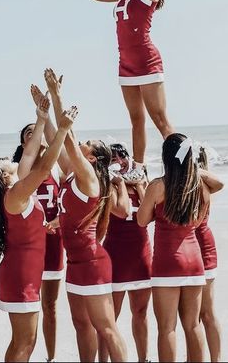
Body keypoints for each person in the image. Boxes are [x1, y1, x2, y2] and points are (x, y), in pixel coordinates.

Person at [0, 94, 77, 363]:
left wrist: (41, 118)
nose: (11, 161)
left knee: (25, 342)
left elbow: (31, 153)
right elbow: (42, 168)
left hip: (23, 272)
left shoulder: (14, 190)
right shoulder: (16, 193)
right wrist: (63, 129)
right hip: (21, 276)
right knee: (24, 342)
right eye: (3, 163)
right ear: (2, 176)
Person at [44, 68, 129, 362]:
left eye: (88, 144)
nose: (83, 142)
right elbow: (60, 137)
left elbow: (67, 138)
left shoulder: (88, 176)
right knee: (81, 326)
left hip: (93, 262)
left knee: (106, 328)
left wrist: (58, 96)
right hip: (75, 262)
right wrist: (50, 102)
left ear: (93, 158)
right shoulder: (73, 175)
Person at [91, 0, 175, 165]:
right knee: (136, 121)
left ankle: (183, 163)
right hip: (125, 63)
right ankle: (139, 168)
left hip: (147, 60)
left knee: (160, 121)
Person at [136, 133, 224, 363]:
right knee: (193, 324)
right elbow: (201, 215)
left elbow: (141, 220)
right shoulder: (200, 187)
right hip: (195, 260)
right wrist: (193, 169)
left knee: (167, 328)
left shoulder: (157, 186)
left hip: (168, 261)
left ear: (166, 157)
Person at [12, 89, 66, 363]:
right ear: (24, 144)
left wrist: (60, 220)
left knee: (51, 305)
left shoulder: (56, 168)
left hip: (54, 242)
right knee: (28, 305)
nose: (36, 136)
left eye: (39, 132)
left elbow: (68, 202)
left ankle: (51, 357)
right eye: (28, 134)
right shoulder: (18, 170)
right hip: (29, 245)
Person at [99, 143, 152, 363]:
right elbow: (120, 213)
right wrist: (121, 183)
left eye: (121, 157)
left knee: (140, 312)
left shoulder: (143, 182)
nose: (118, 162)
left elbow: (149, 215)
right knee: (110, 318)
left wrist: (139, 185)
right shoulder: (108, 185)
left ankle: (144, 359)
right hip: (116, 256)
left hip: (141, 253)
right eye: (112, 159)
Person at [193, 144, 222, 362]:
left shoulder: (201, 184)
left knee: (205, 313)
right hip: (195, 245)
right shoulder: (197, 183)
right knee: (195, 315)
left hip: (200, 246)